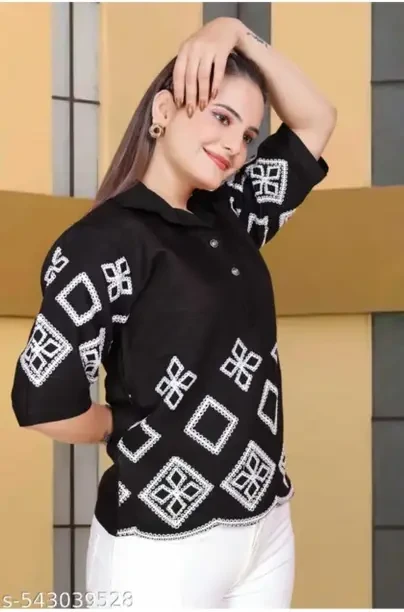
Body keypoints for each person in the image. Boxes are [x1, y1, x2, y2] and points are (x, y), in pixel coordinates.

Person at [11, 16, 336, 609]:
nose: (236, 146)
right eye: (221, 117)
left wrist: (233, 33)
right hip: (160, 544)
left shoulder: (235, 215)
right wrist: (119, 424)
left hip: (266, 527)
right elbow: (42, 403)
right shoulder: (102, 243)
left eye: (248, 134)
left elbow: (316, 120)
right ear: (163, 110)